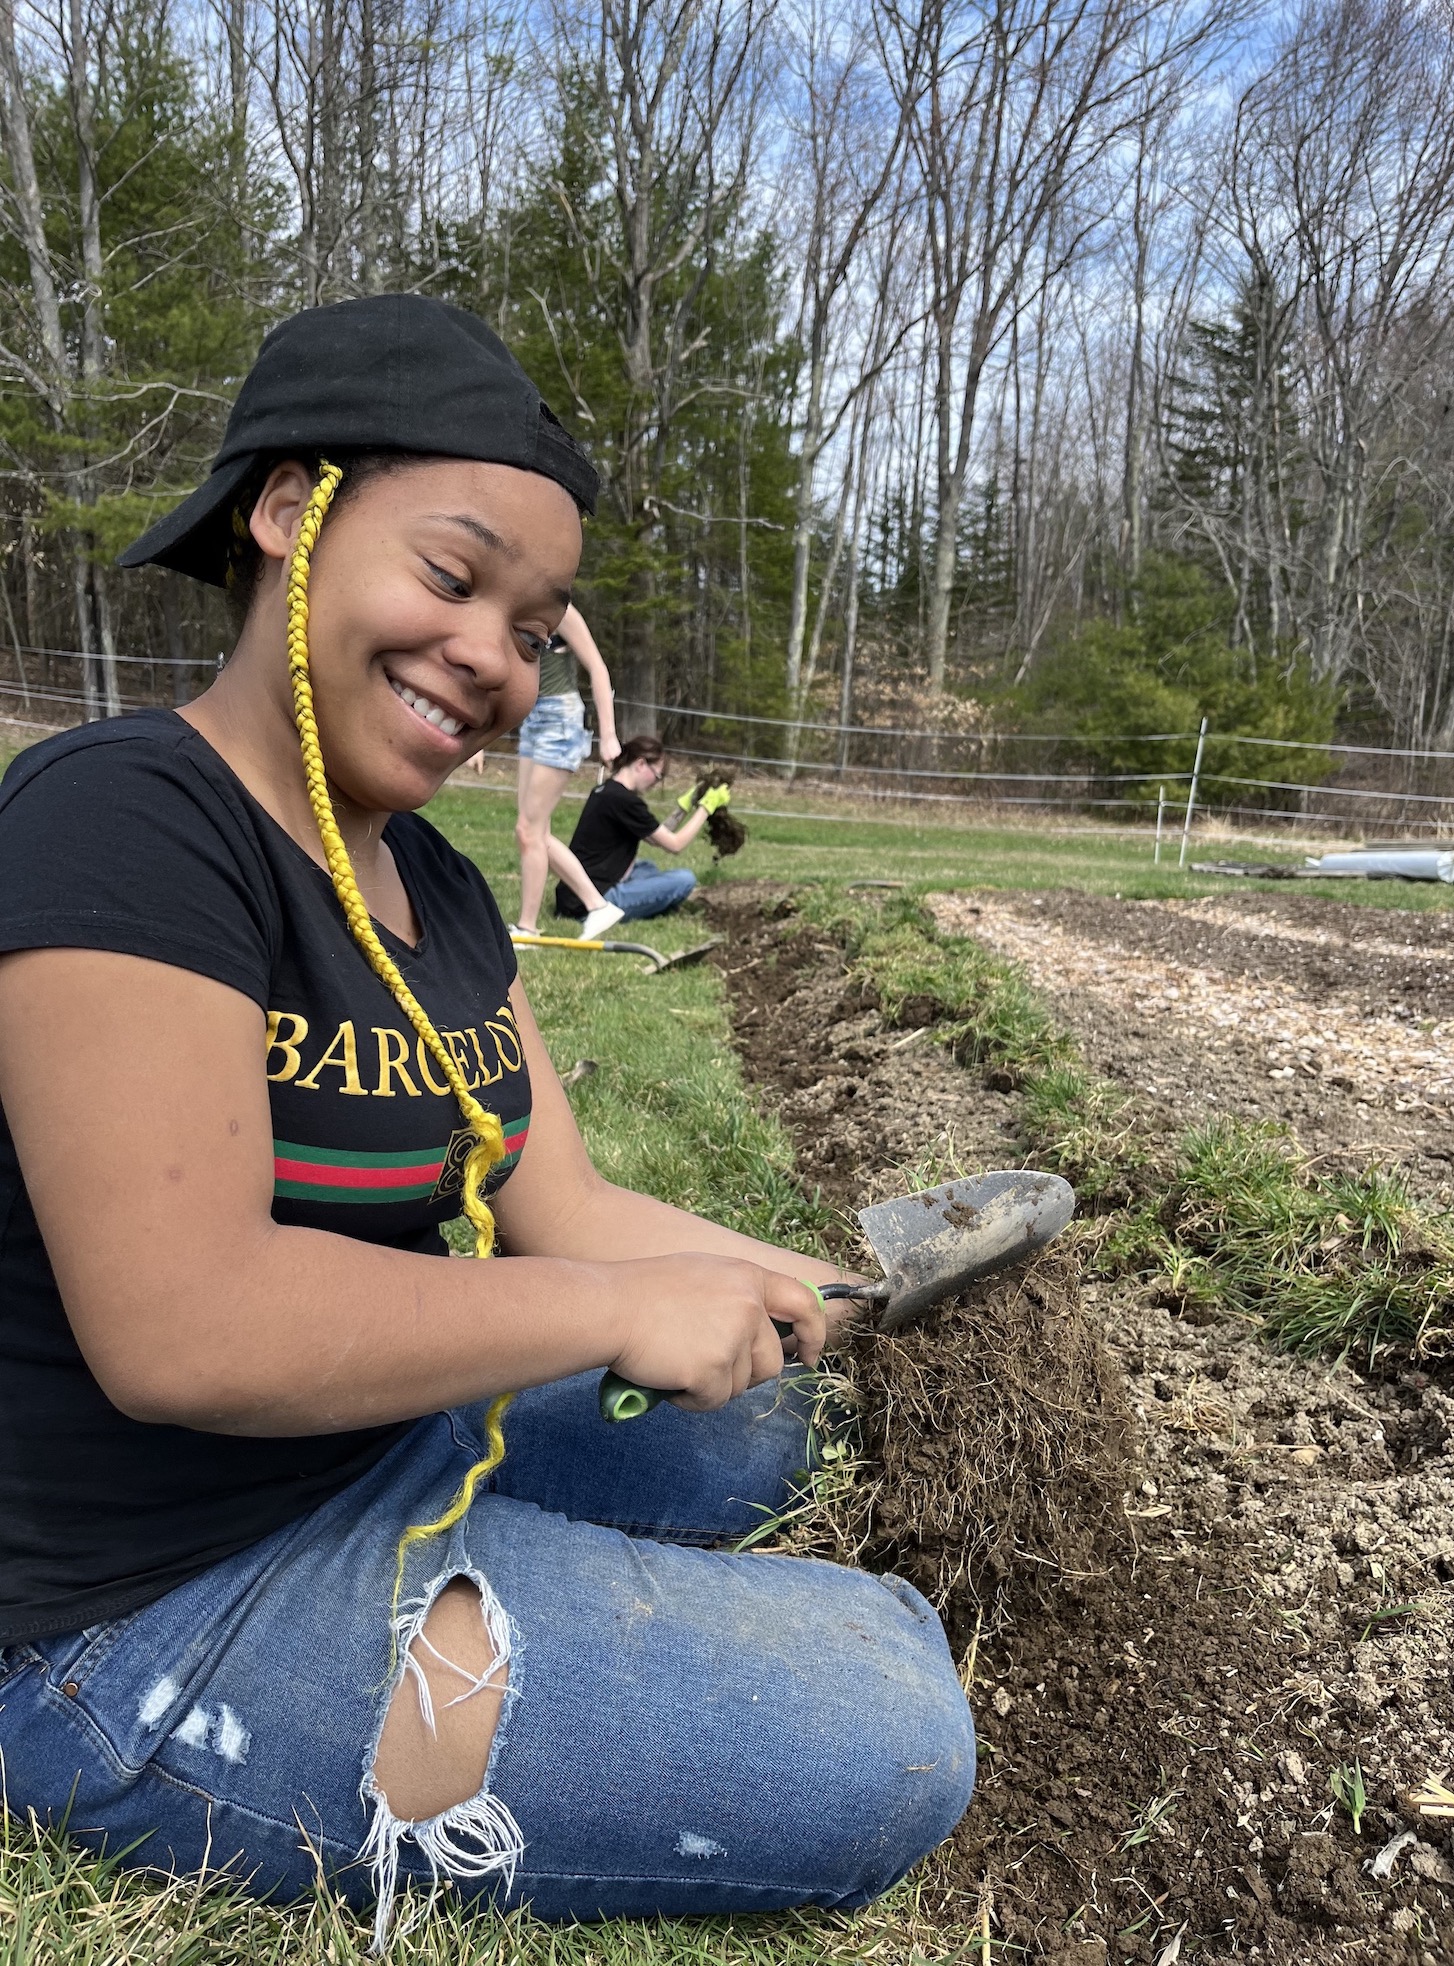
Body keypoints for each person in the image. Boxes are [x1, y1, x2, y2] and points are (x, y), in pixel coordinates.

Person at [0, 294, 974, 1946]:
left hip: (375, 1435)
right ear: (288, 511)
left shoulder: (436, 890)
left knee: (775, 1416)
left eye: (530, 627)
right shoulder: (124, 820)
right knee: (888, 1731)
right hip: (137, 1597)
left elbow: (565, 1208)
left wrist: (835, 1290)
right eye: (452, 578)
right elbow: (185, 1327)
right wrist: (607, 1312)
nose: (493, 660)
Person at [507, 602, 623, 940]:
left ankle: (527, 929)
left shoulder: (562, 611)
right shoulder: (518, 602)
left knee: (529, 830)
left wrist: (609, 735)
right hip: (533, 720)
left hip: (560, 721)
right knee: (532, 832)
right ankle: (598, 906)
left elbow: (598, 668)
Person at [554, 735, 727, 923]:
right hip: (592, 902)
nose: (655, 784)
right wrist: (706, 808)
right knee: (685, 879)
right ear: (641, 764)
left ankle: (654, 898)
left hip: (573, 893)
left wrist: (684, 808)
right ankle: (628, 905)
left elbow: (655, 838)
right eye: (657, 776)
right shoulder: (625, 801)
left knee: (647, 868)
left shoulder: (606, 791)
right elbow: (675, 845)